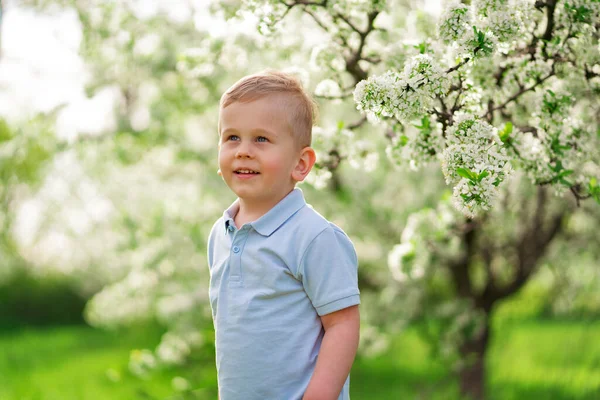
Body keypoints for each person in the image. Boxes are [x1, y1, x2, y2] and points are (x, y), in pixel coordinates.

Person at [206, 70, 360, 400]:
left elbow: (342, 325)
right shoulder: (221, 234)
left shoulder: (313, 236)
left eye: (261, 139)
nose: (243, 151)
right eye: (232, 138)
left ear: (301, 164)